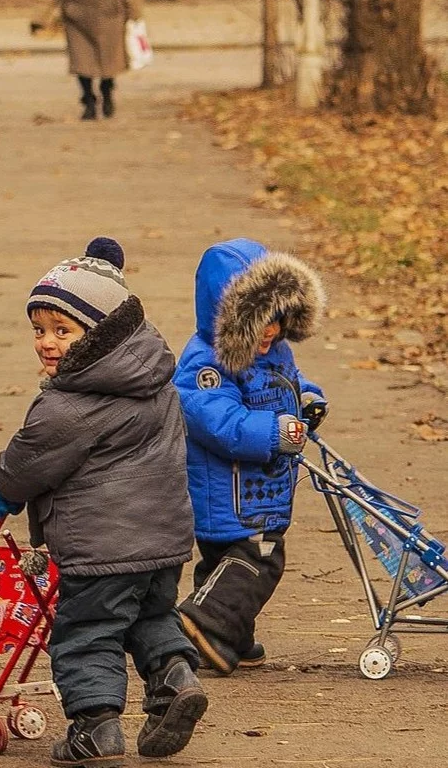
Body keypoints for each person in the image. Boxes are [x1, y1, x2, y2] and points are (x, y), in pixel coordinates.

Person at [0, 238, 207, 768]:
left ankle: (96, 728)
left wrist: (5, 489)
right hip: (164, 542)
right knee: (150, 615)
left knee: (86, 632)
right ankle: (174, 679)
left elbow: (29, 460)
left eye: (63, 331)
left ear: (103, 334)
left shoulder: (68, 405)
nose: (47, 342)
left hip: (99, 549)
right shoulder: (158, 384)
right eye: (39, 330)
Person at [175, 240, 327, 675]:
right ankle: (202, 621)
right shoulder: (206, 362)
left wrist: (309, 399)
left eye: (277, 320)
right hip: (229, 492)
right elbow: (215, 418)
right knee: (261, 558)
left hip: (260, 489)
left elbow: (291, 383)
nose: (270, 332)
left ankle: (229, 638)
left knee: (224, 564)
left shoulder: (277, 351)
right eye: (259, 322)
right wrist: (274, 431)